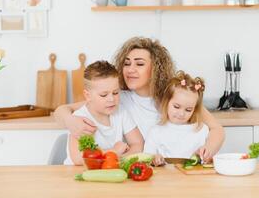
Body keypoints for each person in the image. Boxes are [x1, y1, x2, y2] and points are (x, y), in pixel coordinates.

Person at [55, 37, 224, 162]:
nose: (130, 70)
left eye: (139, 64)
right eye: (127, 63)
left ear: (156, 69)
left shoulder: (174, 97)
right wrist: (70, 121)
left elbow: (217, 129)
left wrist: (207, 151)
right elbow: (63, 110)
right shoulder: (117, 98)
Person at [64, 61, 143, 165]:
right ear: (88, 96)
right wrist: (113, 152)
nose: (111, 99)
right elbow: (78, 158)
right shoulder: (80, 118)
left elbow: (137, 143)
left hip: (108, 170)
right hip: (77, 174)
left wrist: (121, 159)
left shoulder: (121, 112)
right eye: (103, 95)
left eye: (115, 93)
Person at [144, 71, 209, 166]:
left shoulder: (202, 130)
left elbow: (210, 160)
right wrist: (154, 158)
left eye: (188, 110)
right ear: (166, 103)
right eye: (176, 107)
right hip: (166, 179)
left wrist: (206, 157)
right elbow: (147, 157)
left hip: (193, 179)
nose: (181, 114)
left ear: (194, 110)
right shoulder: (156, 131)